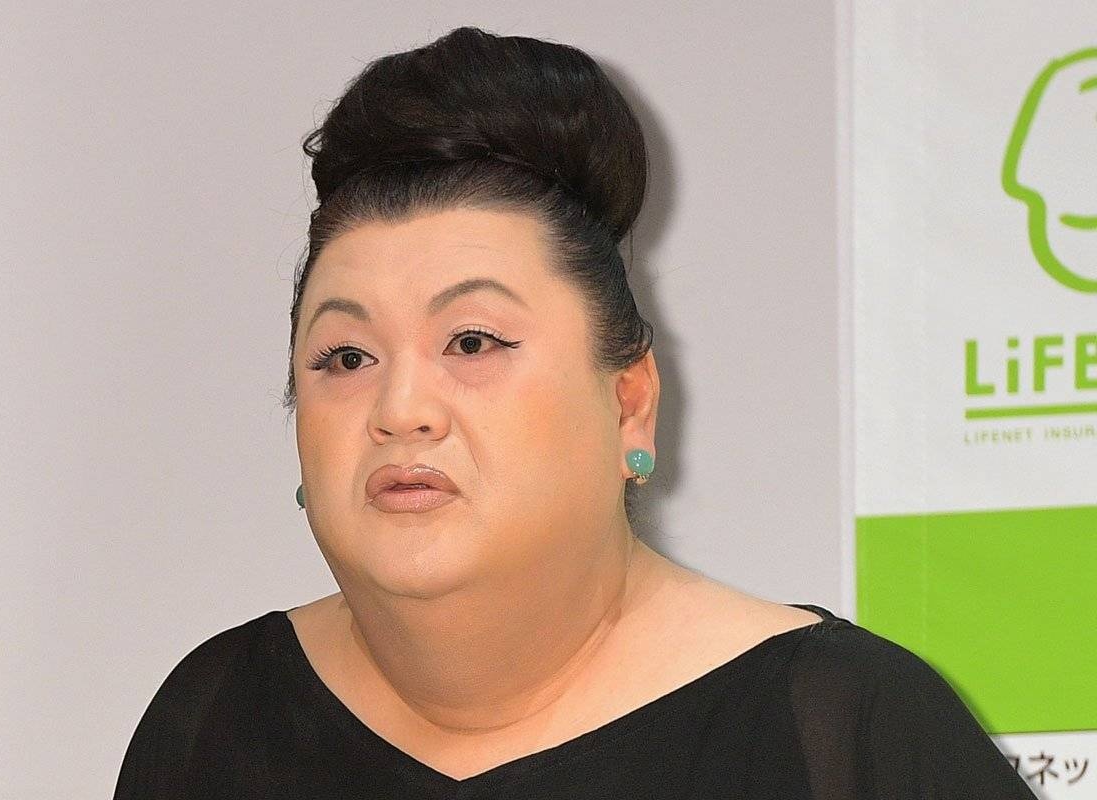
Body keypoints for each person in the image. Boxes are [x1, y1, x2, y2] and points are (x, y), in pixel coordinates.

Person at [113, 26, 1037, 799]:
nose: (401, 409)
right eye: (346, 357)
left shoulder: (845, 727)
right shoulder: (213, 722)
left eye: (472, 342)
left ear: (629, 405)